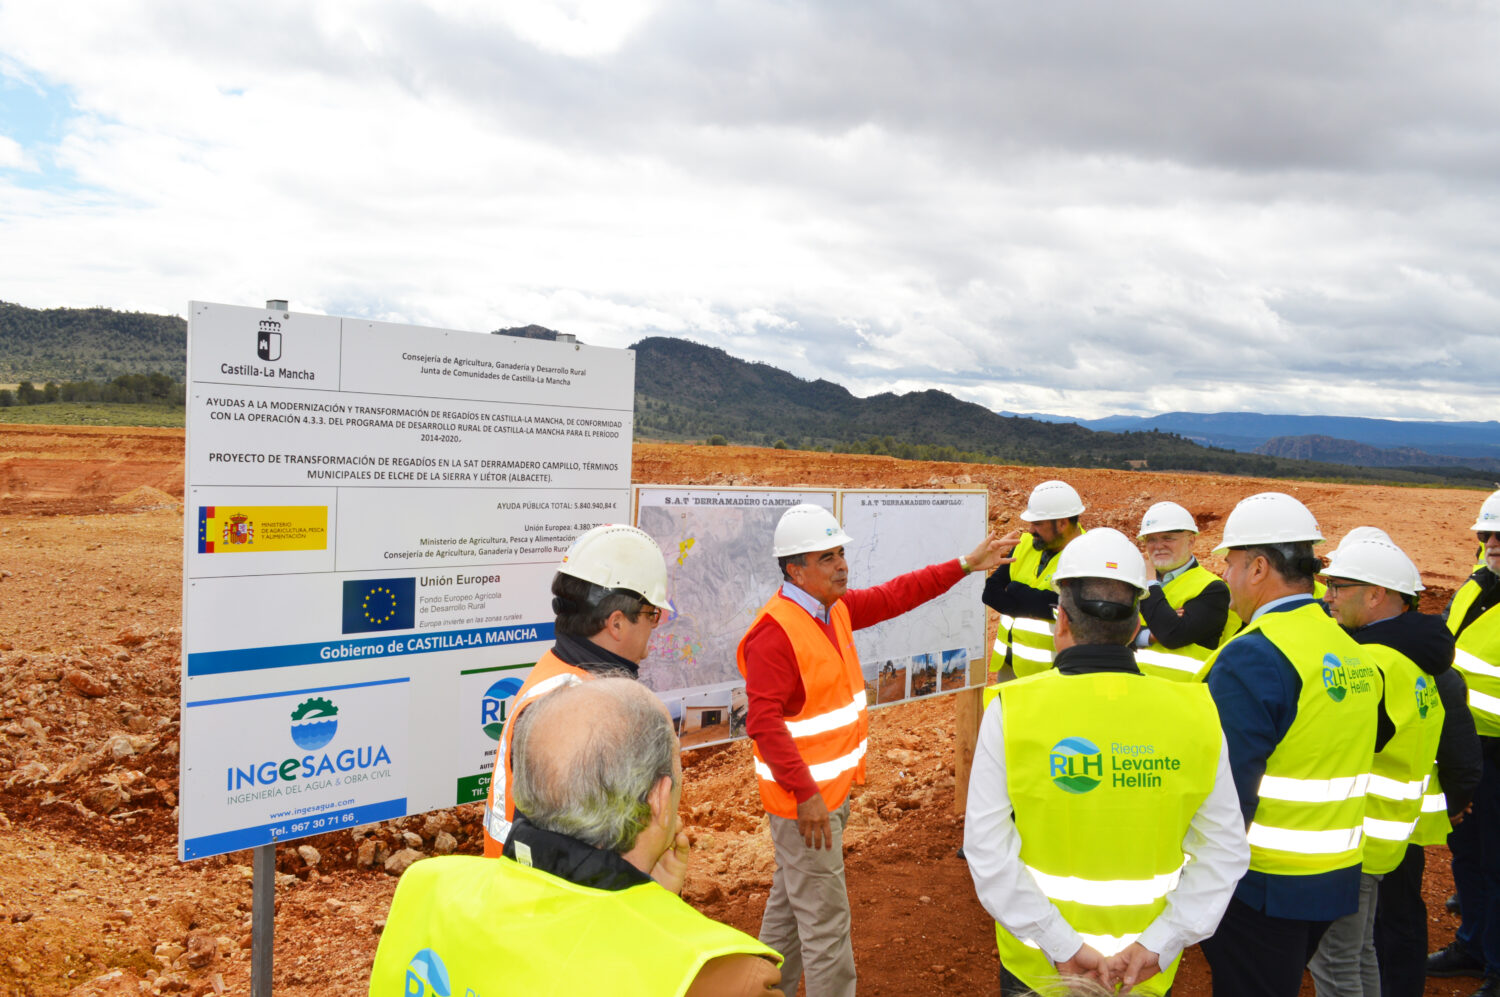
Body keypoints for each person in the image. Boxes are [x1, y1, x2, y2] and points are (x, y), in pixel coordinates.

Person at [965, 528, 1249, 997]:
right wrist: (1159, 943)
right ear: (1138, 624)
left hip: (1042, 967)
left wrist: (1060, 944)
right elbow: (1224, 851)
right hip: (1142, 971)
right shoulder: (1197, 710)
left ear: (1061, 622)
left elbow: (987, 850)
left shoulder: (1012, 709)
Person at [737, 503, 1007, 997]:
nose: (841, 564)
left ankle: (760, 988)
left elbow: (895, 595)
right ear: (795, 569)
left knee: (791, 906)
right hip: (806, 805)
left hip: (826, 798)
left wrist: (965, 564)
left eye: (840, 553)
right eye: (827, 557)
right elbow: (763, 723)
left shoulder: (831, 611)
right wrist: (807, 796)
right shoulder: (775, 633)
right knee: (826, 924)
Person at [370, 679, 785, 997]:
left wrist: (651, 901)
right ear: (659, 798)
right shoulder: (724, 977)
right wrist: (654, 915)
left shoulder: (427, 885)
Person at [1198, 492, 1385, 997]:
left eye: (1232, 565)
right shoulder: (1350, 649)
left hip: (1261, 885)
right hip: (1334, 876)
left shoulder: (1254, 656)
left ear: (1259, 567)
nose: (1227, 579)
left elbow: (1225, 792)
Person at [1307, 538, 1473, 997]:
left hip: (1351, 836)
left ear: (1376, 594)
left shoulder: (1375, 663)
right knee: (1362, 953)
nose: (1328, 597)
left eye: (1338, 586)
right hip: (1387, 835)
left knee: (1337, 962)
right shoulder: (1421, 660)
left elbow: (1341, 743)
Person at [483, 523, 673, 856]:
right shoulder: (586, 711)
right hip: (547, 898)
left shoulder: (561, 672)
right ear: (615, 623)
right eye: (651, 614)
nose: (654, 625)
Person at [1428, 490, 1500, 997]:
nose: (1493, 543)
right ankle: (1473, 946)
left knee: (1497, 862)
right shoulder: (1478, 586)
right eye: (1487, 534)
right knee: (1468, 852)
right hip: (1464, 745)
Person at [983, 480, 1086, 679]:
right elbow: (990, 592)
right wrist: (1035, 603)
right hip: (1009, 664)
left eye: (1037, 524)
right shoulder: (1025, 543)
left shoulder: (1087, 555)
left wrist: (1015, 591)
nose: (1030, 530)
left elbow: (1074, 610)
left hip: (1054, 671)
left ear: (1062, 523)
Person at [1133, 501, 1239, 681]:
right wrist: (1149, 635)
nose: (1158, 546)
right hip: (1134, 686)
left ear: (1191, 541)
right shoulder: (1133, 584)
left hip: (1184, 694)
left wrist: (1150, 583)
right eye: (1151, 539)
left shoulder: (1213, 589)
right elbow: (1109, 631)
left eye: (1168, 538)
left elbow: (1172, 635)